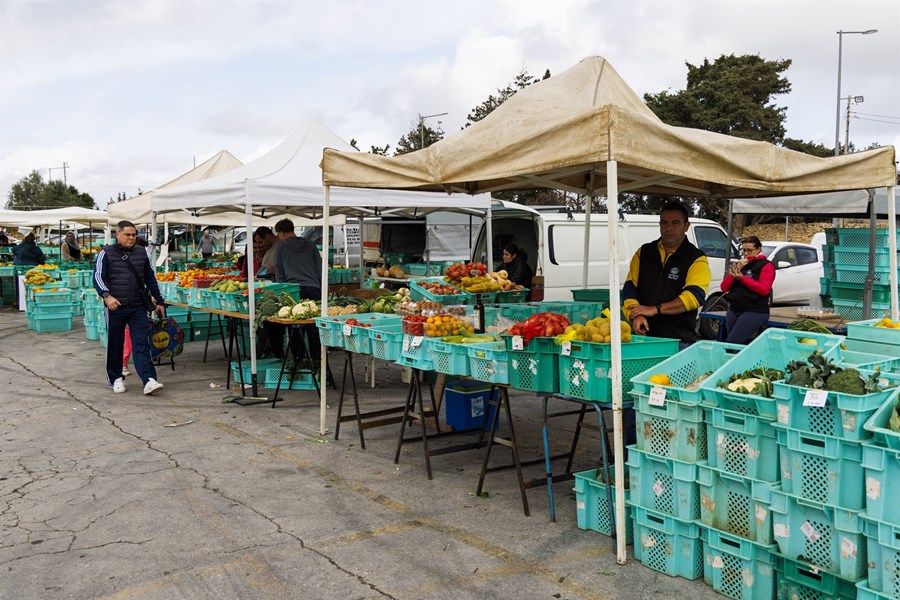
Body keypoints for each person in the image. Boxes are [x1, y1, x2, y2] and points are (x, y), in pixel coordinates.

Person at [623, 202, 711, 350]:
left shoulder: (697, 258)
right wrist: (635, 315)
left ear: (686, 226)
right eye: (664, 223)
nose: (669, 228)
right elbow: (630, 288)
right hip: (642, 339)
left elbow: (694, 296)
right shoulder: (644, 252)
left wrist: (654, 309)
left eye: (675, 223)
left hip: (679, 342)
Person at [93, 220, 166, 395]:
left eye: (134, 235)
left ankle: (149, 380)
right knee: (116, 343)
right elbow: (97, 277)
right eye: (127, 234)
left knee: (142, 344)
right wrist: (106, 296)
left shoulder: (141, 253)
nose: (131, 238)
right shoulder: (106, 253)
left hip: (137, 306)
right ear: (117, 234)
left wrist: (160, 300)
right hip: (115, 307)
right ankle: (116, 378)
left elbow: (150, 278)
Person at [270, 218, 322, 360]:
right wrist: (322, 288)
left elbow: (279, 274)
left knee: (295, 326)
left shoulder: (281, 247)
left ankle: (299, 360)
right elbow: (320, 269)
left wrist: (283, 294)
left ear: (281, 233)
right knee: (314, 325)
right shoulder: (311, 245)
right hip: (313, 288)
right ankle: (317, 360)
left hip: (293, 291)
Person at [720, 236, 775, 344]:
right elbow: (724, 287)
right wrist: (737, 269)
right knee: (734, 342)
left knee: (732, 342)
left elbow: (764, 289)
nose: (746, 254)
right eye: (744, 250)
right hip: (734, 308)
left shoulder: (766, 266)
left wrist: (742, 278)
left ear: (759, 249)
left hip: (754, 309)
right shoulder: (741, 264)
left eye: (750, 250)